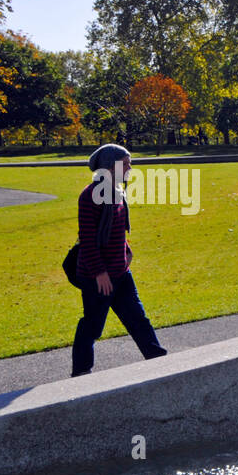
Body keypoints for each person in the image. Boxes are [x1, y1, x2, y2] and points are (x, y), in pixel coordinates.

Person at [71, 144, 167, 377]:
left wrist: (127, 250)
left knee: (138, 320)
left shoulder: (117, 192)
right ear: (110, 166)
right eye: (125, 163)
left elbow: (116, 230)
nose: (130, 167)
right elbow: (87, 238)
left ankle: (159, 362)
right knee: (92, 326)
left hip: (120, 272)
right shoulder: (90, 196)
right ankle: (80, 374)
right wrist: (99, 273)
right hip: (98, 277)